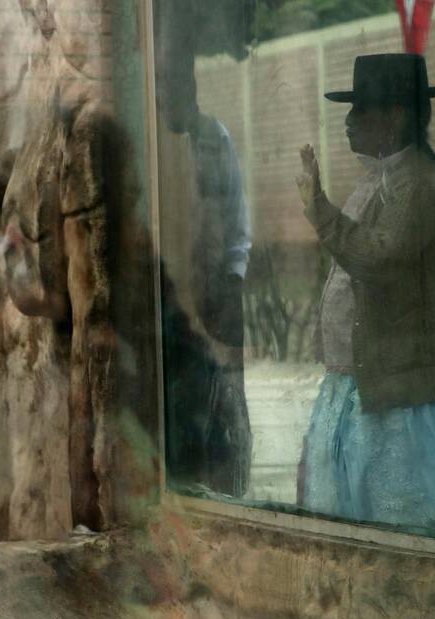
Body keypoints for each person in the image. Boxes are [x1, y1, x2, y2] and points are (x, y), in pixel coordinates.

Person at [296, 53, 435, 531]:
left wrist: (319, 209)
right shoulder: (384, 178)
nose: (348, 121)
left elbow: (378, 260)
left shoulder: (421, 185)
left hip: (402, 394)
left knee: (400, 525)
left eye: (361, 109)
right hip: (371, 382)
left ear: (395, 116)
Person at [157, 48, 253, 498]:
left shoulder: (215, 137)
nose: (178, 93)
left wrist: (233, 278)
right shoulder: (152, 143)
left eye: (184, 82)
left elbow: (237, 220)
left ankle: (231, 496)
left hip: (217, 293)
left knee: (227, 407)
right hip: (169, 302)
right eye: (168, 85)